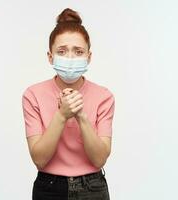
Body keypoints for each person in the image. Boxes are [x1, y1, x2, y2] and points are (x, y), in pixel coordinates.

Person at [22, 8, 115, 200]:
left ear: (89, 57)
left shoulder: (104, 96)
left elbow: (99, 159)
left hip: (93, 187)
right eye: (62, 51)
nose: (70, 58)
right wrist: (62, 115)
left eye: (78, 51)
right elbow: (39, 159)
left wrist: (81, 117)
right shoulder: (33, 95)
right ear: (50, 56)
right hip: (49, 187)